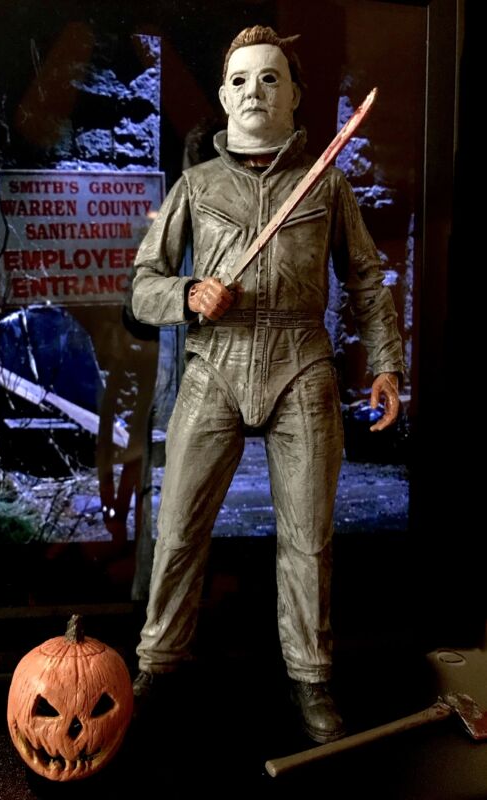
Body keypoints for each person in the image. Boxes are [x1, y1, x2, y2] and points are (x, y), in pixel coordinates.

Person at [129, 25, 403, 744]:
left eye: (271, 77)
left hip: (301, 362)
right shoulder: (197, 186)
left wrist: (386, 363)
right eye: (241, 79)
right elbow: (143, 286)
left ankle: (311, 677)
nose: (256, 90)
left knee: (308, 538)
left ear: (296, 95)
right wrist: (189, 294)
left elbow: (366, 278)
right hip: (215, 363)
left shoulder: (329, 184)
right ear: (224, 98)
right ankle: (157, 663)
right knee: (178, 526)